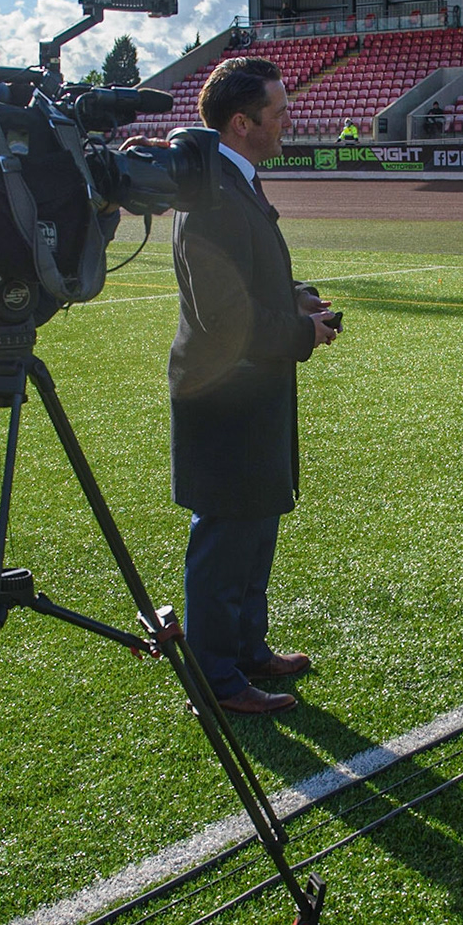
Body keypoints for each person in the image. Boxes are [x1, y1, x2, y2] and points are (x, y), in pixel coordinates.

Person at [169, 57, 339, 715]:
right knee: (225, 536)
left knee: (254, 524)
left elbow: (246, 284)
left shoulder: (231, 182)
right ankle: (217, 678)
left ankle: (245, 649)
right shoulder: (212, 196)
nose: (288, 120)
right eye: (278, 112)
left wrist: (296, 299)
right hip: (223, 398)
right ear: (242, 124)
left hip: (249, 394)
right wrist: (304, 336)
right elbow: (225, 318)